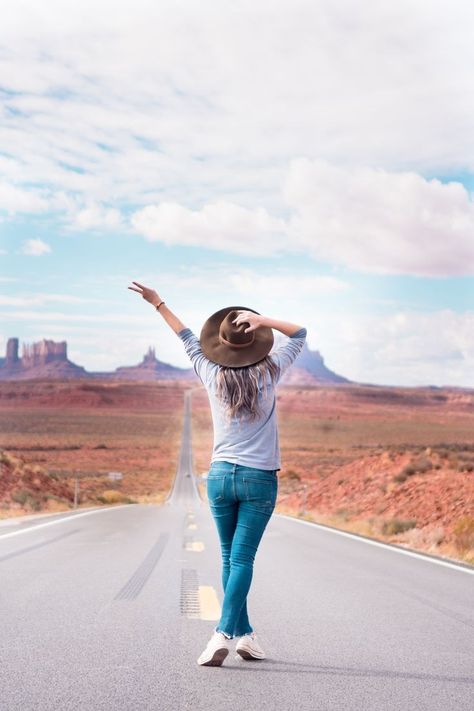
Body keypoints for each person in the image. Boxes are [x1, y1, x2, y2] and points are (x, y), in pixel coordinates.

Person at [127, 281, 307, 667]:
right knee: (241, 560)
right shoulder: (271, 369)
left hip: (221, 477)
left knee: (228, 559)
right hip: (259, 479)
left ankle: (246, 636)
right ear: (256, 343)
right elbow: (301, 332)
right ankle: (223, 634)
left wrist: (157, 302)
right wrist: (262, 320)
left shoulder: (209, 371)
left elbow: (186, 336)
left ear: (221, 345)